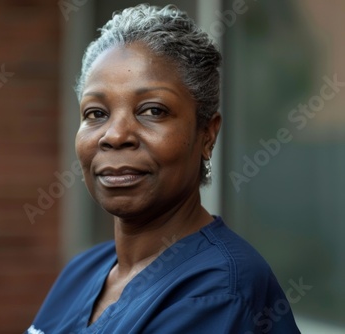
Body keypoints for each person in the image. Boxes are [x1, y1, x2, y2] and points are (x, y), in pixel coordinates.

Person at [27, 4, 300, 333]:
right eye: (96, 113)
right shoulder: (82, 272)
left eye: (153, 110)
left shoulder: (218, 292)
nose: (115, 135)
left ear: (207, 135)